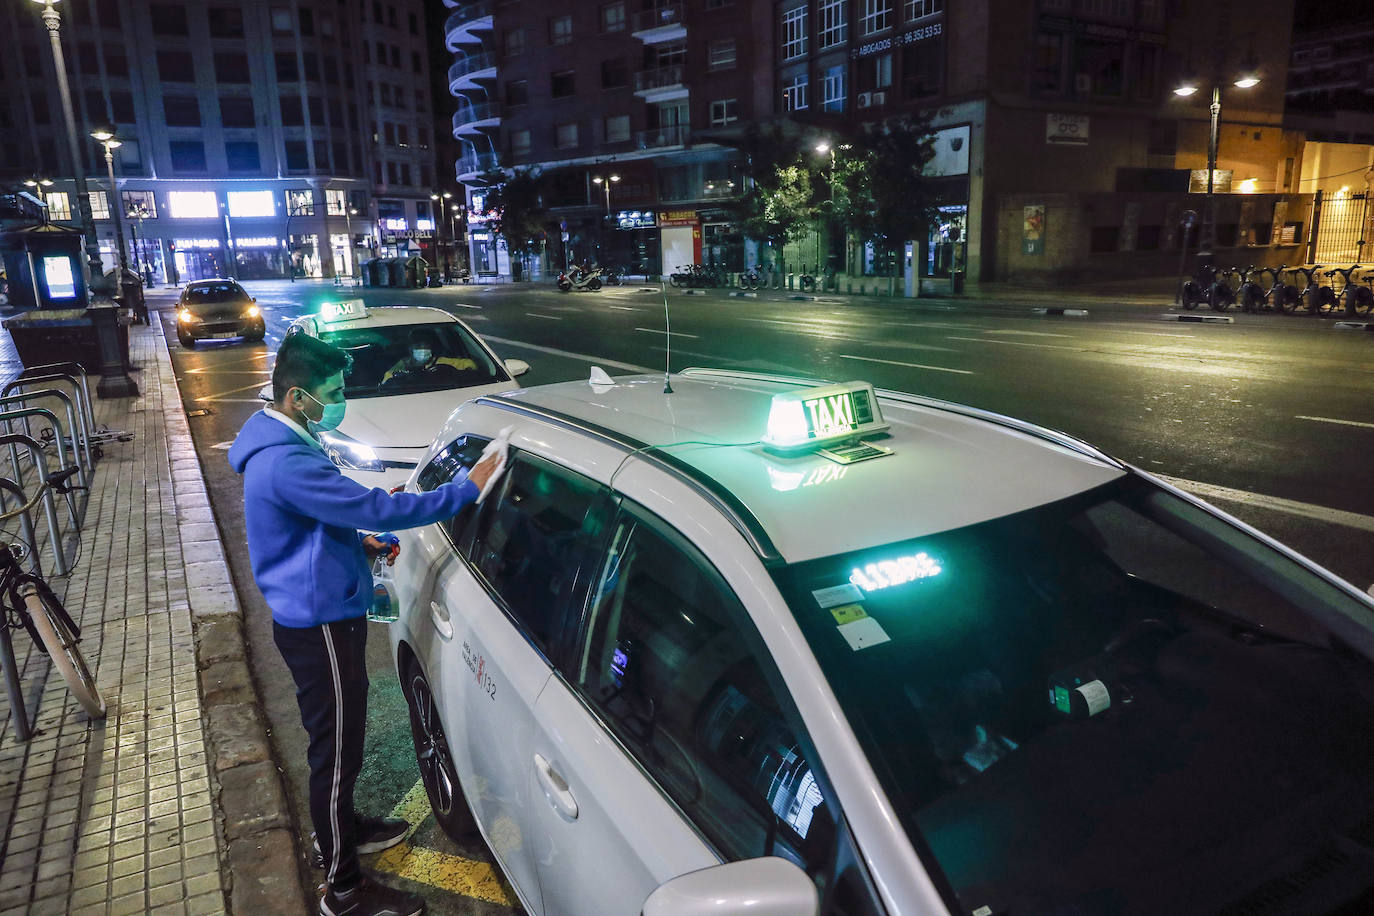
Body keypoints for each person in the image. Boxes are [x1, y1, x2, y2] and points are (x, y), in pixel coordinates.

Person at [227, 331, 501, 916]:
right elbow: (375, 504)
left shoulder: (287, 440)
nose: (341, 398)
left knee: (338, 745)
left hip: (317, 613)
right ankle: (345, 890)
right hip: (320, 625)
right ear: (298, 396)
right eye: (333, 391)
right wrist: (463, 491)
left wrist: (358, 538)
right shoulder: (285, 461)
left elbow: (321, 521)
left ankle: (344, 827)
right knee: (337, 750)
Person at [381, 327, 476, 383]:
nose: (422, 349)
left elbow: (469, 364)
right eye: (417, 345)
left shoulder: (440, 361)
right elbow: (388, 378)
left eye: (426, 345)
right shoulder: (403, 364)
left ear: (432, 347)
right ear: (410, 348)